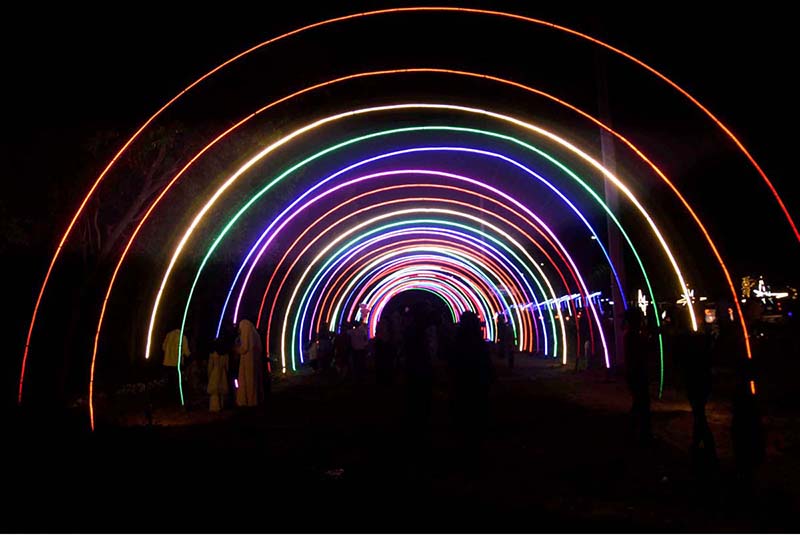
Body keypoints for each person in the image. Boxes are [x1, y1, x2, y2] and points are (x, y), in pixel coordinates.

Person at [623, 308, 652, 444]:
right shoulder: (632, 336)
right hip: (637, 373)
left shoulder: (631, 335)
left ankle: (637, 430)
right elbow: (641, 352)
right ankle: (641, 432)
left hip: (635, 373)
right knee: (642, 403)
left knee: (640, 402)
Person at [235, 319, 263, 407]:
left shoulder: (245, 327)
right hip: (254, 360)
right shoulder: (254, 331)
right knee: (253, 381)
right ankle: (253, 400)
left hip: (247, 360)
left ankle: (247, 401)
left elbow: (244, 347)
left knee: (247, 381)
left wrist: (236, 349)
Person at [161, 328, 190, 405]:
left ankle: (167, 402)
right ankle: (178, 402)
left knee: (169, 383)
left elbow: (163, 347)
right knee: (178, 383)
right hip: (176, 364)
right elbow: (186, 351)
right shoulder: (182, 337)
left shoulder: (168, 334)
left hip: (167, 363)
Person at [207, 338, 229, 412]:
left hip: (215, 372)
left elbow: (210, 366)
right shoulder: (225, 355)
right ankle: (222, 406)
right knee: (221, 390)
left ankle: (215, 407)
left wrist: (209, 374)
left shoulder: (213, 354)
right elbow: (227, 366)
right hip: (222, 372)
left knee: (214, 391)